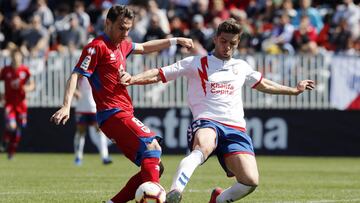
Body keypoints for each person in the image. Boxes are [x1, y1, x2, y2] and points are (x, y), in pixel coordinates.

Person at [120, 18, 315, 203]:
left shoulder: (241, 66)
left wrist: (294, 90)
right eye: (223, 41)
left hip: (236, 129)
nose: (227, 46)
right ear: (215, 39)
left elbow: (264, 84)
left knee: (250, 181)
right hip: (207, 121)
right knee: (202, 147)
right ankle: (176, 191)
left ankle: (219, 199)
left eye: (233, 43)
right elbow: (159, 74)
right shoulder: (196, 63)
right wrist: (133, 79)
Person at [50, 5, 193, 203]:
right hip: (112, 113)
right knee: (152, 146)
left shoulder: (122, 45)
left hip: (123, 112)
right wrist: (66, 105)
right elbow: (76, 74)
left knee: (155, 166)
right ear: (108, 23)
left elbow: (144, 47)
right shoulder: (96, 47)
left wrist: (175, 40)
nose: (125, 33)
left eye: (128, 29)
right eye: (121, 28)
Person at [0, 48, 35, 159]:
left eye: (18, 57)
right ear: (12, 58)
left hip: (21, 105)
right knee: (11, 125)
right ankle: (5, 140)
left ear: (21, 57)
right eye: (14, 57)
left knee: (19, 129)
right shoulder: (6, 70)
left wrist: (27, 88)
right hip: (9, 103)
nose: (16, 59)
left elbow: (32, 85)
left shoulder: (25, 70)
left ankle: (11, 151)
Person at [73, 76, 112, 166]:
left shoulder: (96, 70)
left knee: (100, 130)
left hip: (94, 107)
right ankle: (78, 157)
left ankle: (105, 156)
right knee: (80, 132)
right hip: (81, 107)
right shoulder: (80, 72)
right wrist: (75, 91)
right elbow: (71, 83)